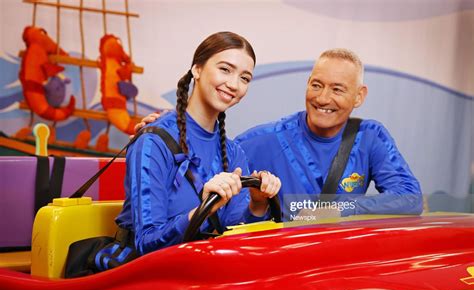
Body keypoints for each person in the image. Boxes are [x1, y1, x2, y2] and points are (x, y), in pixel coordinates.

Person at [136, 48, 422, 220]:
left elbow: (409, 199)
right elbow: (213, 154)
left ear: (359, 96)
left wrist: (328, 211)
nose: (323, 98)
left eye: (337, 89)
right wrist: (172, 126)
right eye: (316, 85)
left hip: (336, 264)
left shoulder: (369, 136)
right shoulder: (267, 139)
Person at [117, 31, 281, 255]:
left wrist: (258, 203)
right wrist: (204, 210)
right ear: (197, 69)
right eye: (225, 69)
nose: (234, 84)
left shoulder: (233, 153)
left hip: (204, 274)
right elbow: (146, 244)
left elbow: (237, 237)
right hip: (146, 276)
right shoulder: (153, 142)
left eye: (244, 78)